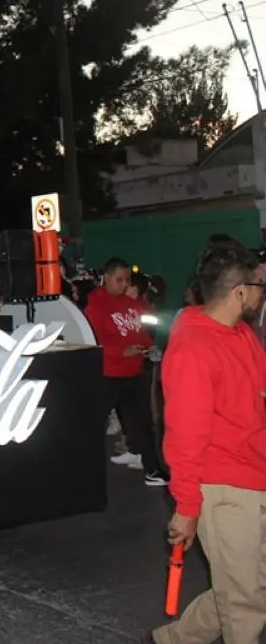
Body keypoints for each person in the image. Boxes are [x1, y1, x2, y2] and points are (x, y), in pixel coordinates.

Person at [144, 241, 266, 644]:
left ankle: (172, 640)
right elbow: (185, 437)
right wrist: (187, 508)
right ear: (240, 292)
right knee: (245, 602)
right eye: (259, 285)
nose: (262, 292)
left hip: (255, 473)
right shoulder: (195, 347)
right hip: (224, 487)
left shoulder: (241, 334)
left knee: (244, 588)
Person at [84, 258, 166, 487]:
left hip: (133, 372)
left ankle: (153, 469)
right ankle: (83, 472)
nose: (123, 284)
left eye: (127, 279)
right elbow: (92, 344)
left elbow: (141, 328)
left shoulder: (132, 304)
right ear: (106, 278)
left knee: (142, 423)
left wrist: (147, 345)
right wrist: (122, 351)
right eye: (119, 279)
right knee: (94, 424)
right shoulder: (95, 306)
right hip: (108, 374)